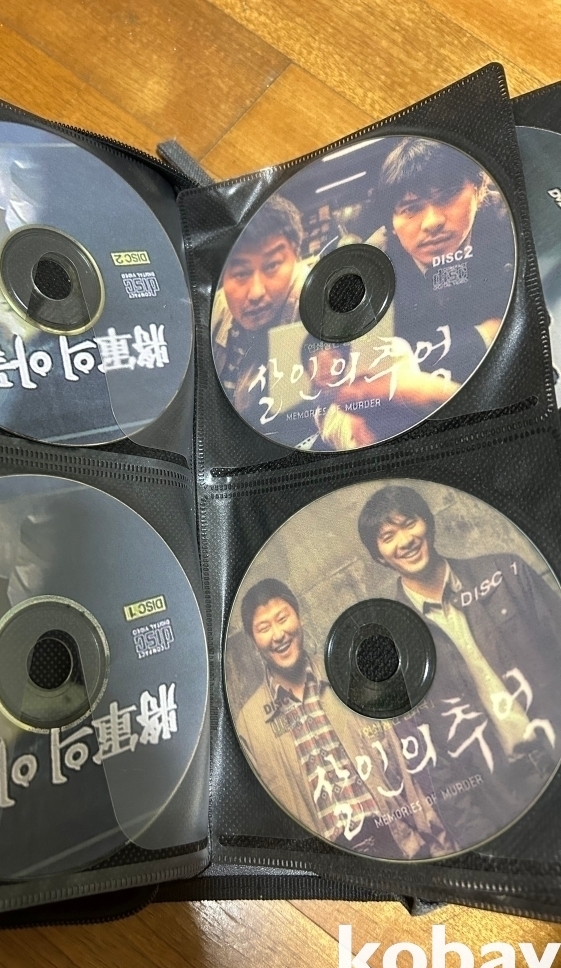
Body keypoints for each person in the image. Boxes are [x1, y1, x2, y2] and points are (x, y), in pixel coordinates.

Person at [357, 484, 561, 849]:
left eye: (409, 523)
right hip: (507, 800)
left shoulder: (506, 572)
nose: (405, 540)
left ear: (428, 523)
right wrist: (481, 840)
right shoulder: (393, 647)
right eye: (388, 537)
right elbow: (433, 764)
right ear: (378, 556)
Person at [232, 578, 452, 859]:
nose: (278, 634)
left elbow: (406, 758)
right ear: (253, 642)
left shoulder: (346, 671)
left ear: (299, 618)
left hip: (398, 840)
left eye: (283, 618)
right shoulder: (249, 724)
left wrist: (436, 840)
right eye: (264, 628)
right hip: (328, 861)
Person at [371, 138, 515, 384]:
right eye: (411, 208)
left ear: (480, 189)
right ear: (391, 223)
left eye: (447, 196)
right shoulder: (374, 263)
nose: (432, 222)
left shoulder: (511, 224)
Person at [211, 195, 309, 418]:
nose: (256, 292)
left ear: (297, 257)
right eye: (241, 273)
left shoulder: (321, 306)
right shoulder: (216, 308)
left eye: (272, 265)